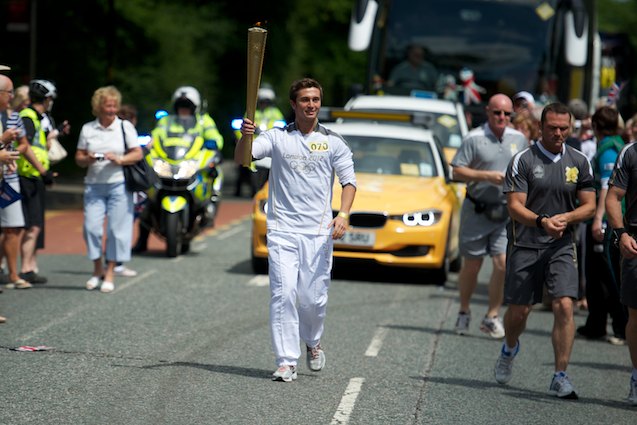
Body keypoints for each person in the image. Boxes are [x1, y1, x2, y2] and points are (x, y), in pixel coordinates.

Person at [235, 78, 356, 382]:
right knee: (283, 293)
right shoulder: (276, 138)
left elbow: (349, 182)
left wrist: (343, 214)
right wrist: (244, 137)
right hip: (283, 229)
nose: (311, 105)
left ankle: (313, 342)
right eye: (305, 100)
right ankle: (287, 361)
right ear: (293, 104)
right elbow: (243, 157)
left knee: (312, 299)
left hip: (317, 232)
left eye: (315, 99)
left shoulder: (333, 141)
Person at [494, 102, 595, 399]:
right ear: (541, 127)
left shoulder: (578, 161)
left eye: (565, 128)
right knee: (519, 311)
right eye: (553, 128)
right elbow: (514, 206)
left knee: (565, 304)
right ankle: (510, 347)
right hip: (526, 242)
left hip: (562, 244)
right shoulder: (523, 160)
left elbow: (589, 205)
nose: (559, 133)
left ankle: (560, 375)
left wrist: (568, 217)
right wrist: (541, 221)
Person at [450, 94, 528, 338]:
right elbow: (457, 172)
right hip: (477, 208)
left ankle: (491, 316)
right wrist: (487, 176)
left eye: (507, 114)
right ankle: (464, 310)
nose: (502, 118)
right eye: (497, 113)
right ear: (488, 112)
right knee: (472, 265)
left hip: (505, 212)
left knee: (502, 263)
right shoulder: (474, 138)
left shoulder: (519, 139)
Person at [132, 86, 224, 253]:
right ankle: (142, 239)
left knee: (215, 174)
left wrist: (213, 146)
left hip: (191, 164)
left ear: (194, 107)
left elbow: (216, 139)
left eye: (187, 106)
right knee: (146, 196)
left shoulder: (204, 121)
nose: (184, 109)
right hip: (168, 163)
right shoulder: (166, 121)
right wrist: (148, 147)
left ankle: (210, 204)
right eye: (181, 106)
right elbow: (156, 137)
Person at [75, 86, 142, 293]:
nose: (112, 110)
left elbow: (137, 154)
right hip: (94, 185)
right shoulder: (88, 129)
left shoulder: (124, 127)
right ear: (98, 107)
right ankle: (97, 270)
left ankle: (110, 272)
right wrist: (88, 158)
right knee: (91, 228)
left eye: (114, 106)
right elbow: (78, 158)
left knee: (116, 230)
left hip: (118, 184)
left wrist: (120, 159)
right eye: (108, 106)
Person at [577, 106, 627, 345]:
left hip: (605, 222)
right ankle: (595, 324)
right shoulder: (616, 145)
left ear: (596, 126)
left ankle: (620, 327)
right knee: (596, 274)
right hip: (608, 220)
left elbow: (607, 188)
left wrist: (598, 219)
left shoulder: (609, 150)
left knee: (608, 276)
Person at [0, 75, 49, 296]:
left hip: (8, 180)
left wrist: (42, 171)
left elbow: (24, 145)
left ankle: (13, 274)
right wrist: (3, 139)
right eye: (9, 92)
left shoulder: (15, 117)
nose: (12, 97)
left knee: (15, 227)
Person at [605, 140, 637, 406]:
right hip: (635, 240)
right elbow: (614, 196)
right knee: (636, 313)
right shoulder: (630, 152)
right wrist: (621, 233)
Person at [16, 79, 57, 284]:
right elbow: (26, 147)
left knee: (35, 224)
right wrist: (43, 171)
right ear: (46, 98)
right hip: (28, 176)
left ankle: (30, 266)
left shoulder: (36, 118)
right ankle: (25, 269)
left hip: (34, 176)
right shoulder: (28, 117)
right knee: (30, 225)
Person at [234, 86, 285, 197]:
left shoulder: (276, 113)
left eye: (267, 102)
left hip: (270, 144)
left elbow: (282, 127)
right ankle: (238, 188)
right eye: (262, 101)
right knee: (241, 166)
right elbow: (243, 127)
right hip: (253, 143)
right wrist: (241, 137)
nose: (264, 104)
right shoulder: (252, 112)